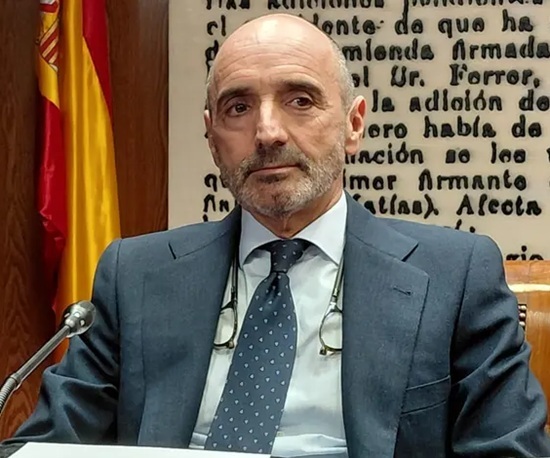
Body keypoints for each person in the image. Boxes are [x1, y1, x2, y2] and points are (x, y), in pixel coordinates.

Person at [5, 13, 550, 458]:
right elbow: (49, 446)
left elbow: (508, 450)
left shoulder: (453, 275)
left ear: (354, 124)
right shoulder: (135, 276)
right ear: (212, 138)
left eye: (300, 100)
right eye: (238, 107)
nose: (267, 132)